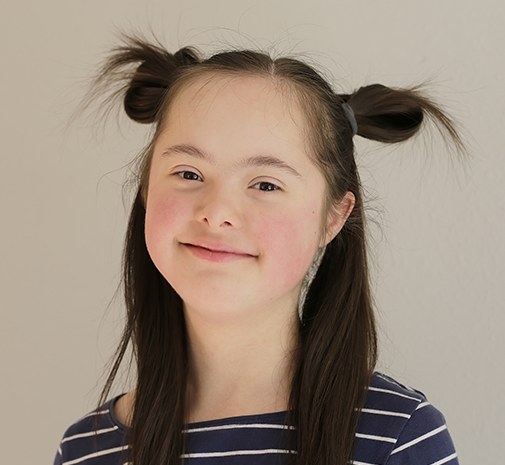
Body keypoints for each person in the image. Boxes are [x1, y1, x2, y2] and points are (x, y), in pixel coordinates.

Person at [53, 35, 463, 465]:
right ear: (147, 191)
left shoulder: (398, 436)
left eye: (266, 184)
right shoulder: (87, 450)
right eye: (189, 173)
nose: (217, 212)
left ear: (333, 218)